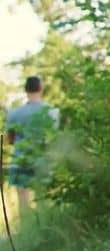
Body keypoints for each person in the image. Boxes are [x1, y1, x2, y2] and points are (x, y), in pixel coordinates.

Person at [5, 75, 59, 218]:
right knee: (43, 200)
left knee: (23, 201)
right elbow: (54, 138)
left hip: (20, 161)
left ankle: (26, 233)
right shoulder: (52, 112)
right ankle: (44, 233)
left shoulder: (14, 114)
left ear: (25, 90)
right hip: (43, 161)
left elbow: (10, 139)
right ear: (40, 88)